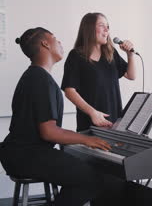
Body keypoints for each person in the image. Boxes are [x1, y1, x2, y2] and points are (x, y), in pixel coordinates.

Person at [0, 27, 125, 206]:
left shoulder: (34, 75)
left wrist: (84, 140)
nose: (59, 42)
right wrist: (86, 140)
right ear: (45, 44)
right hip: (27, 156)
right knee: (92, 180)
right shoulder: (41, 80)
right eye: (55, 38)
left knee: (84, 175)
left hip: (17, 154)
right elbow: (49, 132)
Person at [61, 12, 137, 131]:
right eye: (102, 25)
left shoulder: (111, 53)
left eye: (108, 26)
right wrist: (93, 113)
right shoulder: (76, 55)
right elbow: (69, 91)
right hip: (90, 123)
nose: (107, 29)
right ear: (89, 29)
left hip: (115, 123)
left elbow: (131, 75)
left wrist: (130, 55)